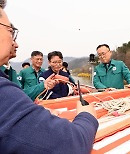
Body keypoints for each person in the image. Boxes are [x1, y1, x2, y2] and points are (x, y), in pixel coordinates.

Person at [0, 1, 98, 154]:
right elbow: (69, 145)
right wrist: (87, 116)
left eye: (60, 62)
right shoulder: (38, 76)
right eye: (11, 32)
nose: (16, 44)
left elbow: (72, 86)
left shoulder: (66, 74)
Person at [0, 28, 56, 101]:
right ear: (31, 59)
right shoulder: (23, 72)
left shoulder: (11, 71)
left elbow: (21, 94)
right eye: (37, 59)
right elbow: (19, 95)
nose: (16, 45)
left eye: (41, 59)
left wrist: (44, 85)